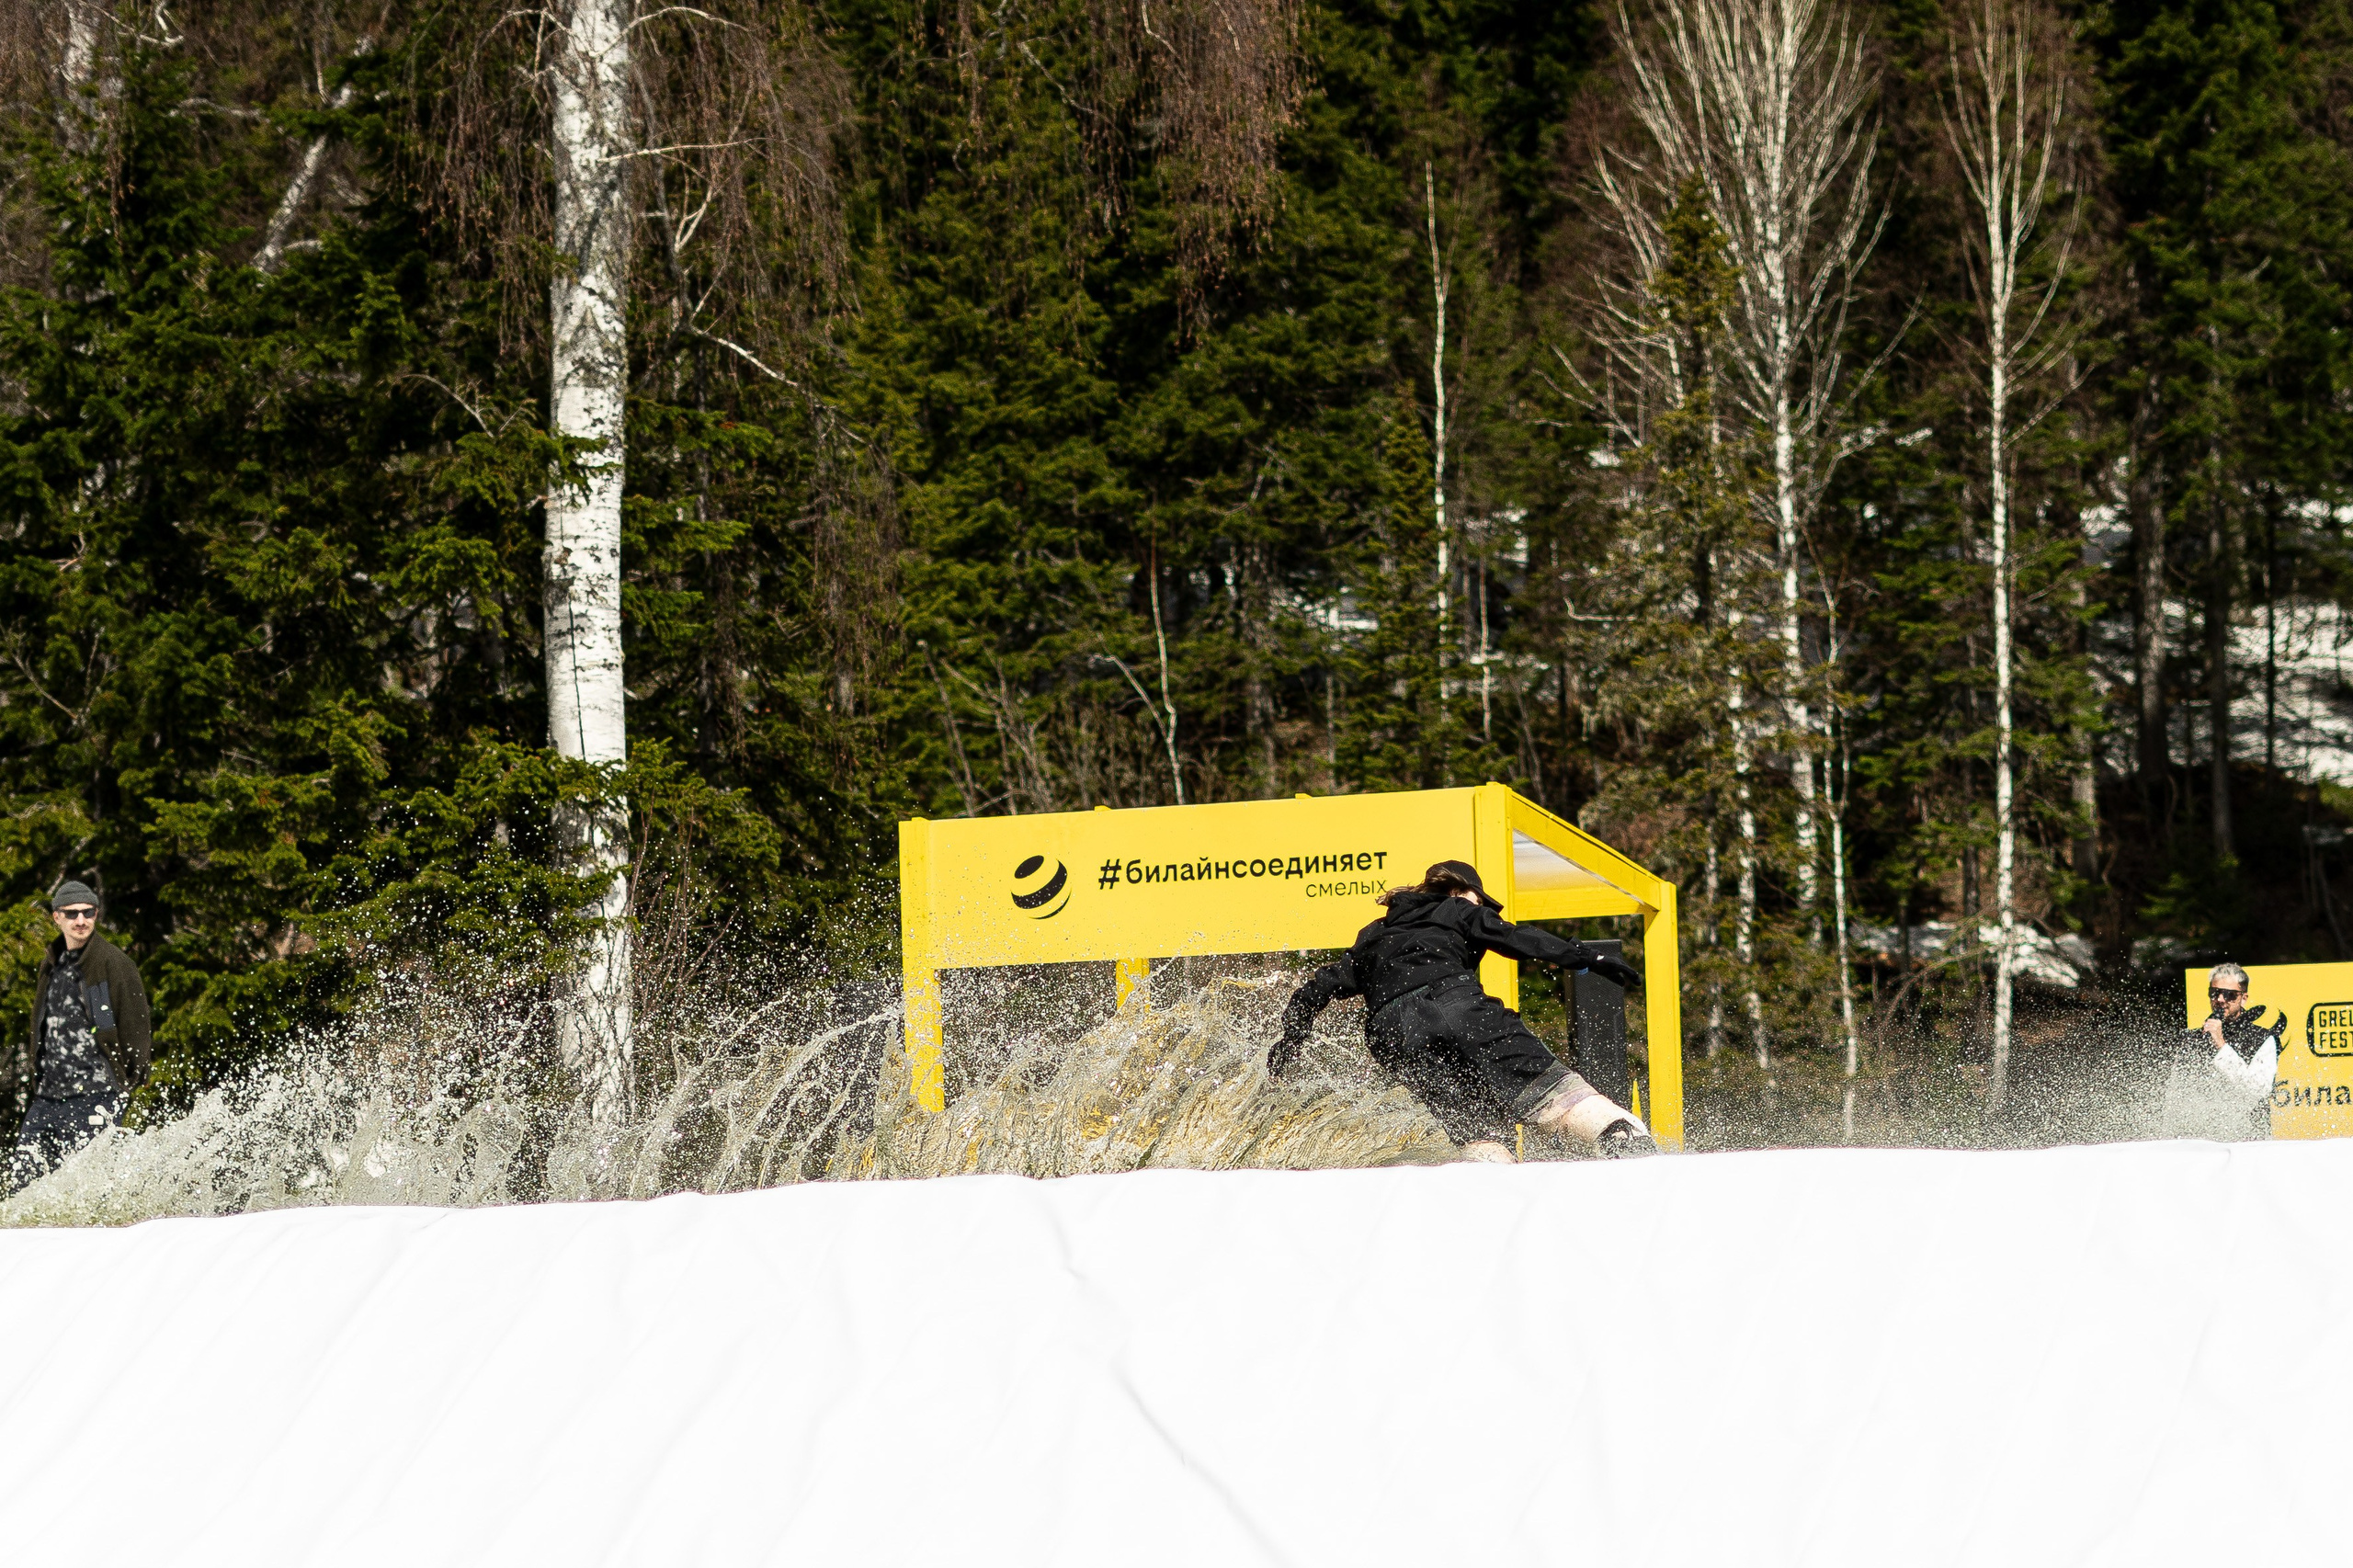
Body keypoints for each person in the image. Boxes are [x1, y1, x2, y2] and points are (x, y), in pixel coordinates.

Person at [1271, 860, 1658, 1160]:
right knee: (1551, 1092)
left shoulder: (1374, 934)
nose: (1481, 908)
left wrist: (1291, 1038)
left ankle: (1489, 1182)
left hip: (1391, 1036)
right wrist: (1586, 957)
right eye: (1479, 900)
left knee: (1477, 1126)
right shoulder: (1456, 908)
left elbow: (1318, 988)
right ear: (1458, 890)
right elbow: (1514, 937)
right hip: (1453, 1004)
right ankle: (1625, 1142)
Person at [4, 881, 152, 1192]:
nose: (81, 920)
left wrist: (128, 1083)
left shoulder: (113, 963)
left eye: (88, 912)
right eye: (72, 914)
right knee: (21, 1184)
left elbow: (136, 1026)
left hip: (96, 1095)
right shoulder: (51, 963)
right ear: (57, 917)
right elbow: (41, 1023)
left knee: (88, 1188)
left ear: (96, 914)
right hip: (47, 1098)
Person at [2161, 960, 2280, 1141]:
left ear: (2243, 998)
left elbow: (2257, 1090)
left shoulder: (2263, 1038)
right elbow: (2176, 1094)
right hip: (2197, 1142)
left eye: (2230, 995)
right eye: (2214, 993)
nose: (2220, 999)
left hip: (2247, 1143)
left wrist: (2221, 1045)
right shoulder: (2192, 1038)